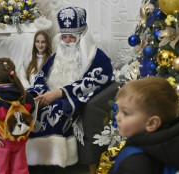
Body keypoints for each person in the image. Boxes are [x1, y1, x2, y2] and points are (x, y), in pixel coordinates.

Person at [26, 6, 113, 173]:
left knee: (56, 111)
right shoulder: (56, 56)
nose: (67, 41)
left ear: (82, 36)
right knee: (31, 107)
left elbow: (97, 81)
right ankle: (33, 164)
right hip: (50, 97)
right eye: (64, 37)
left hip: (69, 102)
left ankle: (53, 166)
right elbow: (41, 77)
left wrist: (59, 93)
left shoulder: (98, 57)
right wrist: (40, 94)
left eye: (71, 37)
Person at [109, 77, 179, 174]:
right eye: (119, 110)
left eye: (125, 113)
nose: (117, 117)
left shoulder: (138, 163)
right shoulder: (160, 148)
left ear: (152, 123)